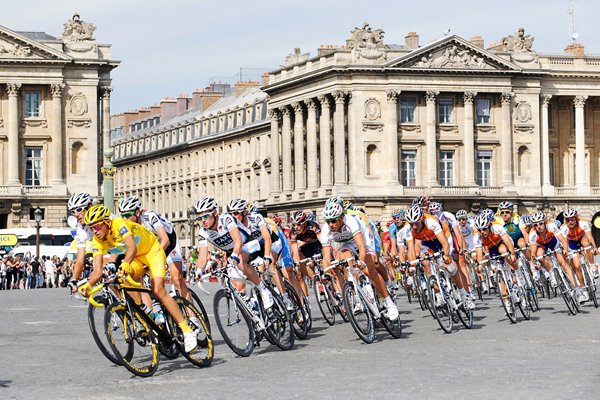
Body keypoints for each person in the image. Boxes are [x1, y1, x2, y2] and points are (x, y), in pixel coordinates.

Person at [80, 204, 197, 352]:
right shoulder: (97, 241)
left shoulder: (119, 224)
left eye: (96, 227)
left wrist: (125, 263)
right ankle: (143, 311)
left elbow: (131, 247)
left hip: (152, 251)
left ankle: (187, 330)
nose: (94, 232)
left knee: (158, 289)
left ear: (107, 222)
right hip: (137, 259)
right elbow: (97, 271)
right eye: (91, 228)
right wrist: (87, 285)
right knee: (122, 279)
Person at [320, 201, 399, 321]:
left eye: (334, 220)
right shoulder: (326, 230)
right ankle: (357, 293)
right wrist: (326, 273)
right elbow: (326, 257)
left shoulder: (350, 221)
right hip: (347, 243)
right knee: (342, 260)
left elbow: (362, 246)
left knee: (369, 270)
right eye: (328, 221)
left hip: (364, 239)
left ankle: (389, 302)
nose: (331, 224)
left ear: (341, 217)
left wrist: (361, 261)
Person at [193, 196, 274, 310]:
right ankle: (251, 303)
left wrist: (235, 255)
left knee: (240, 262)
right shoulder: (203, 232)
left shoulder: (226, 219)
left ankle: (263, 289)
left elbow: (238, 240)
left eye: (206, 216)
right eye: (199, 218)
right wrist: (199, 270)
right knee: (234, 279)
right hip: (232, 252)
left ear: (215, 213)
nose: (203, 220)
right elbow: (202, 255)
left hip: (247, 243)